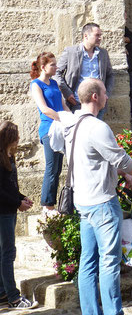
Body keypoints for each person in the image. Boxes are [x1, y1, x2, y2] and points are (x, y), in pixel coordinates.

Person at [65, 78, 132, 315]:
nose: (107, 96)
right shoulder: (97, 127)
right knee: (108, 262)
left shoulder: (72, 124)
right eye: (104, 92)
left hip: (83, 201)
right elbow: (121, 158)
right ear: (95, 96)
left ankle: (91, 312)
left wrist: (121, 173)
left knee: (88, 262)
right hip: (102, 202)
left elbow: (94, 158)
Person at [30, 51, 70, 217]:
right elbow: (45, 109)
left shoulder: (54, 83)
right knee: (52, 168)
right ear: (43, 67)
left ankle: (53, 204)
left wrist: (73, 119)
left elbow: (63, 104)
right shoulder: (36, 85)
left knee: (59, 168)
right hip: (49, 129)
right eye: (52, 64)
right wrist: (63, 118)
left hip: (61, 128)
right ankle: (47, 205)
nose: (56, 67)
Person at [0, 121, 34, 310]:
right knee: (7, 254)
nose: (19, 140)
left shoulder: (9, 156)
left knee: (3, 253)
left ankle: (2, 293)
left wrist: (22, 198)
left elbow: (10, 187)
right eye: (16, 136)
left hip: (9, 210)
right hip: (3, 212)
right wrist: (17, 203)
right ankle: (13, 297)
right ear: (9, 138)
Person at [55, 22, 114, 119]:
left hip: (98, 104)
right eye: (97, 35)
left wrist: (106, 94)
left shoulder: (103, 53)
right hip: (77, 103)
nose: (100, 38)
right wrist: (67, 93)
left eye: (100, 35)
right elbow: (57, 73)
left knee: (95, 132)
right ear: (86, 36)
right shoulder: (71, 52)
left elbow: (110, 75)